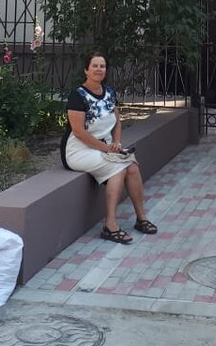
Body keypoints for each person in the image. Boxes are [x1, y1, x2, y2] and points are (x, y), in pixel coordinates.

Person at [61, 51, 158, 244]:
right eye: (95, 66)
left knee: (132, 167)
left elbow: (117, 122)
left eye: (102, 66)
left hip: (103, 147)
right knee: (119, 168)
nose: (99, 69)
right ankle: (110, 225)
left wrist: (116, 144)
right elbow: (79, 132)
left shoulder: (110, 92)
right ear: (86, 70)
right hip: (79, 151)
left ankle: (141, 218)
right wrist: (107, 150)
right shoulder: (77, 95)